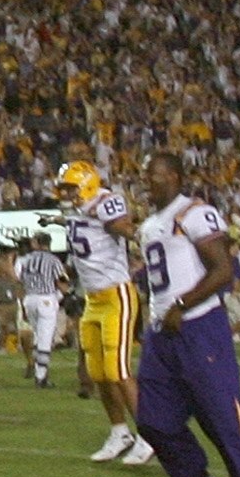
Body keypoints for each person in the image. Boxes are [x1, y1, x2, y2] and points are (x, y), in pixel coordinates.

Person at [132, 150, 240, 477]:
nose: (150, 182)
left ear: (176, 177)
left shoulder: (195, 213)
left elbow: (223, 270)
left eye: (157, 175)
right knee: (152, 419)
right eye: (147, 176)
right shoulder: (150, 225)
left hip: (199, 328)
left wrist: (182, 305)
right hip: (163, 332)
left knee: (222, 419)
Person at [57, 154, 148, 461]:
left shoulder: (105, 202)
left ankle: (149, 437)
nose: (65, 194)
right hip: (92, 298)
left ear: (86, 185)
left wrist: (124, 228)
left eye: (70, 188)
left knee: (118, 369)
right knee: (98, 372)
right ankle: (119, 431)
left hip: (116, 295)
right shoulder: (80, 210)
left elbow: (123, 226)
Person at [12, 232, 68, 386]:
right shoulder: (53, 260)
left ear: (36, 243)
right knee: (45, 339)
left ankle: (39, 370)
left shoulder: (26, 260)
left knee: (38, 336)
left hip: (29, 299)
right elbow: (63, 281)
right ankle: (41, 377)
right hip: (46, 299)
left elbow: (19, 282)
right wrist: (58, 297)